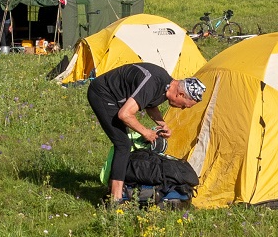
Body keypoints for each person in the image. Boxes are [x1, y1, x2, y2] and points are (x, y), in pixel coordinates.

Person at [86, 62, 203, 204]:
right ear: (180, 94)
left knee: (123, 143)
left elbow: (150, 104)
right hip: (102, 93)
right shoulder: (153, 83)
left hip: (117, 98)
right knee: (123, 145)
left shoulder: (165, 85)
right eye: (184, 105)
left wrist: (162, 124)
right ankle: (115, 199)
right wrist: (146, 133)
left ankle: (118, 185)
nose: (183, 108)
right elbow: (125, 115)